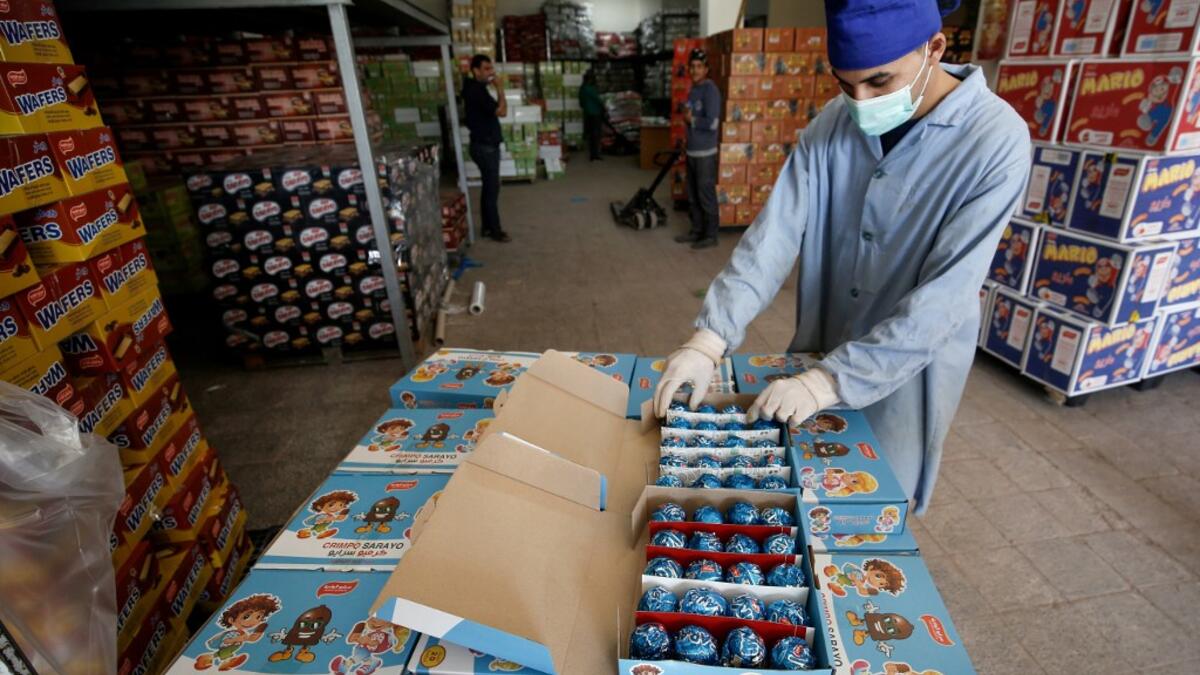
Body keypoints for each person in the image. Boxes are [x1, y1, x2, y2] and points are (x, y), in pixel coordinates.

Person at [653, 0, 1031, 515]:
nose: (861, 103)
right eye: (845, 85)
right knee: (802, 490)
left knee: (874, 500)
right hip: (825, 336)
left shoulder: (994, 140)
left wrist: (829, 381)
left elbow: (944, 298)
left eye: (879, 82)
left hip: (907, 368)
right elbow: (773, 236)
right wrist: (709, 338)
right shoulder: (834, 123)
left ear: (935, 47)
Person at [674, 48, 722, 250]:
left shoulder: (710, 90)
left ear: (706, 69)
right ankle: (696, 231)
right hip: (693, 151)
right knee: (692, 195)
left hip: (705, 154)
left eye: (699, 67)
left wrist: (691, 120)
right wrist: (686, 139)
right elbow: (691, 119)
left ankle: (710, 235)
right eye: (692, 67)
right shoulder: (693, 89)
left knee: (705, 194)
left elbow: (712, 123)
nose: (694, 70)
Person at [462, 54, 511, 243]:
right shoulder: (477, 91)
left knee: (488, 188)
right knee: (492, 189)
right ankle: (495, 230)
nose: (491, 73)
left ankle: (487, 227)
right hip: (486, 147)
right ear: (476, 71)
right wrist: (500, 88)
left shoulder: (474, 89)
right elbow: (502, 111)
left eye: (492, 68)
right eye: (487, 69)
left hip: (482, 144)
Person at [580, 70, 605, 161]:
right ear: (590, 79)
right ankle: (595, 154)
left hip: (587, 113)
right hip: (595, 113)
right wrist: (604, 106)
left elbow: (581, 102)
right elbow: (598, 100)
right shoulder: (591, 88)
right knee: (596, 134)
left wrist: (586, 107)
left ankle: (592, 154)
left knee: (591, 134)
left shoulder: (582, 88)